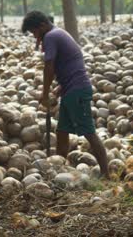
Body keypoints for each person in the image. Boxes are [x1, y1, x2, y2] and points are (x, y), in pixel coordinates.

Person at [21, 11, 110, 179]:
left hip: (77, 91)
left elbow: (49, 66)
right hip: (70, 90)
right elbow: (70, 63)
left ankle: (106, 174)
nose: (35, 38)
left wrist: (45, 94)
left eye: (34, 33)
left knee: (89, 132)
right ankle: (60, 170)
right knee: (62, 131)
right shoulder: (58, 33)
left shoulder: (51, 37)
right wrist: (61, 86)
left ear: (41, 26)